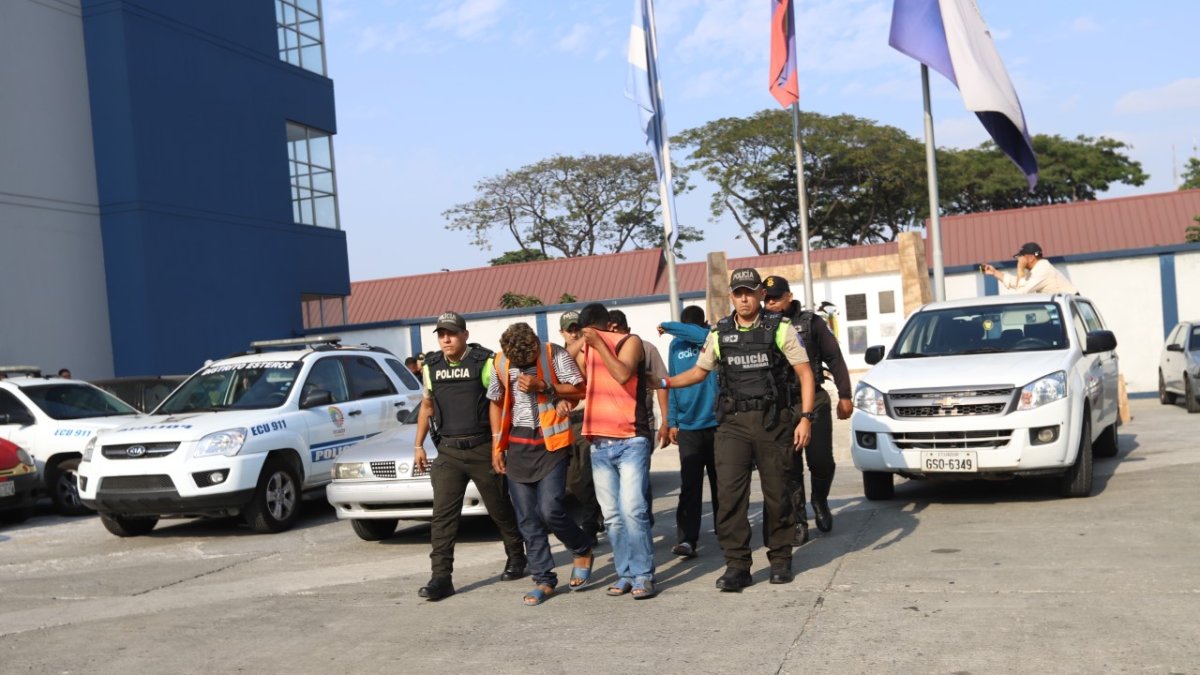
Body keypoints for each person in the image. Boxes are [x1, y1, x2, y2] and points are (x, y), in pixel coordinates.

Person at [654, 268, 815, 591]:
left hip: (772, 422)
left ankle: (780, 558)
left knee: (777, 493)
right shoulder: (719, 333)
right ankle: (737, 565)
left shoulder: (780, 329)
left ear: (759, 295)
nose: (744, 298)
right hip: (732, 426)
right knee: (728, 497)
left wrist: (806, 417)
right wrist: (662, 382)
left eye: (749, 292)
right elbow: (698, 373)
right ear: (731, 296)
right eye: (738, 293)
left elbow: (805, 373)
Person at [412, 312, 527, 602]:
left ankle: (517, 555)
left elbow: (499, 403)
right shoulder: (432, 367)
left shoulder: (484, 363)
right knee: (442, 518)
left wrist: (498, 446)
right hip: (448, 451)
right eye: (441, 334)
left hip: (482, 448)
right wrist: (418, 445)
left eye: (451, 333)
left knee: (499, 508)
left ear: (465, 334)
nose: (446, 339)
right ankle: (441, 578)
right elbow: (426, 406)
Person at [489, 322, 593, 606]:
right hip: (518, 446)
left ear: (536, 343)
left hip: (551, 444)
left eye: (527, 358)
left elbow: (580, 390)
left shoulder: (554, 354)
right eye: (517, 361)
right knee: (527, 518)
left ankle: (581, 547)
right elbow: (496, 403)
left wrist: (545, 386)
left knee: (550, 509)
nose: (523, 364)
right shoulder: (499, 362)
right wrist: (496, 445)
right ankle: (544, 580)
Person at [576, 303, 658, 599]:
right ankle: (624, 574)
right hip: (599, 443)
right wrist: (579, 344)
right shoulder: (587, 349)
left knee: (633, 510)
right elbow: (576, 373)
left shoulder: (630, 342)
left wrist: (599, 344)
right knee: (611, 516)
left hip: (631, 440)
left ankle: (643, 575)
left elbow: (623, 374)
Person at [762, 276, 853, 541]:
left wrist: (845, 395)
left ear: (789, 296)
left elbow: (834, 357)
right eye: (766, 299)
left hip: (814, 401)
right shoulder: (761, 326)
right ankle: (798, 520)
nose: (770, 304)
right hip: (781, 404)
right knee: (789, 467)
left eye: (775, 299)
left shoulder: (811, 322)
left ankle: (820, 500)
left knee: (821, 462)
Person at [658, 305, 719, 559]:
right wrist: (672, 421)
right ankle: (687, 540)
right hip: (688, 426)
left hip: (717, 424)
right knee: (690, 486)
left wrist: (668, 325)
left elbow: (698, 334)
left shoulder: (711, 338)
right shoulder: (674, 346)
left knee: (722, 484)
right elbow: (672, 382)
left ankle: (727, 532)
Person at [558, 310, 604, 539]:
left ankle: (590, 525)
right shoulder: (558, 356)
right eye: (570, 330)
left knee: (586, 476)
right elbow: (564, 356)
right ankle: (597, 512)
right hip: (565, 423)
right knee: (573, 480)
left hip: (588, 418)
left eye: (578, 328)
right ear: (562, 332)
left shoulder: (591, 349)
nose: (575, 333)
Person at [982, 242, 1078, 294]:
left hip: (1071, 315)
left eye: (1021, 256)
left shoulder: (1043, 270)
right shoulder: (1036, 270)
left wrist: (1020, 269)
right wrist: (995, 272)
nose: (1019, 259)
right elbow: (1018, 283)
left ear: (1031, 257)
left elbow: (1021, 292)